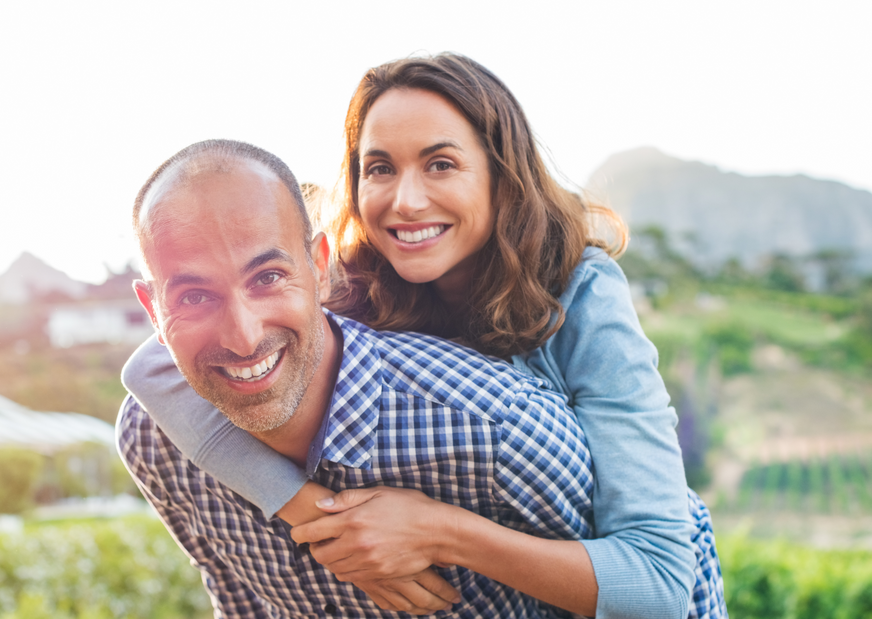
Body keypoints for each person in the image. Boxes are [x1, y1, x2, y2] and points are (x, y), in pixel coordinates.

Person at [124, 54, 725, 619]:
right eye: (379, 168)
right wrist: (306, 510)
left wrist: (439, 530)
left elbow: (658, 584)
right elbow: (152, 369)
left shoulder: (581, 293)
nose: (405, 202)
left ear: (500, 174)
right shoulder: (348, 277)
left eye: (440, 164)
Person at [120, 139, 613, 618]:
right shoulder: (152, 440)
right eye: (193, 297)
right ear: (153, 310)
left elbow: (657, 590)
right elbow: (235, 598)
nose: (243, 338)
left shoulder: (497, 429)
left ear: (319, 267)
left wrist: (448, 534)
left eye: (267, 277)